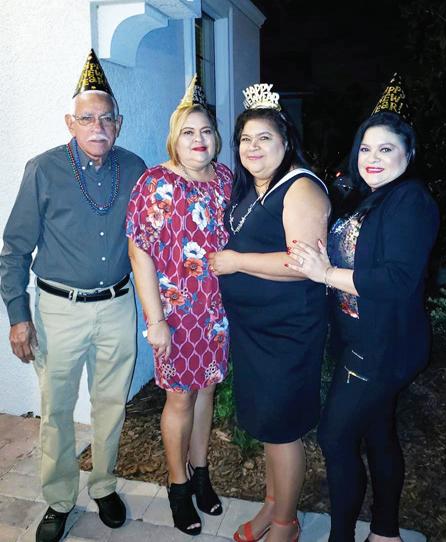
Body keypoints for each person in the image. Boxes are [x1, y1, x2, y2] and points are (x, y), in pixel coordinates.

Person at [0, 49, 147, 542]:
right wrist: (18, 316)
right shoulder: (43, 169)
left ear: (118, 124)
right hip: (58, 310)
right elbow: (14, 249)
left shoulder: (135, 168)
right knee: (58, 410)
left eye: (106, 118)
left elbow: (151, 238)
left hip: (118, 306)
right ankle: (60, 499)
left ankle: (103, 485)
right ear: (71, 122)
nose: (97, 126)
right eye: (87, 118)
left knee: (111, 404)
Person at [287, 76, 440, 542]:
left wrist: (326, 274)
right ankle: (386, 532)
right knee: (377, 431)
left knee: (335, 437)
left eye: (386, 149)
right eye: (366, 148)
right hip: (363, 339)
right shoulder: (369, 198)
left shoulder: (410, 200)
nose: (372, 158)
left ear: (408, 154)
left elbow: (396, 280)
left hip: (383, 346)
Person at [208, 83, 331, 542]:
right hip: (255, 330)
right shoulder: (253, 188)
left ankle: (286, 524)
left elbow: (303, 265)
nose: (253, 147)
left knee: (281, 430)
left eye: (264, 138)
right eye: (245, 139)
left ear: (286, 141)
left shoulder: (300, 188)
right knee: (266, 424)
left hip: (287, 332)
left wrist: (237, 262)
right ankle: (272, 505)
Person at [126, 75, 232, 536]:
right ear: (175, 138)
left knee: (207, 390)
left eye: (205, 130)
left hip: (217, 313)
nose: (198, 139)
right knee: (180, 397)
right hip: (175, 315)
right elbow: (140, 253)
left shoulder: (226, 180)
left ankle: (201, 472)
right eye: (188, 132)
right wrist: (155, 321)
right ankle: (177, 484)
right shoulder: (156, 183)